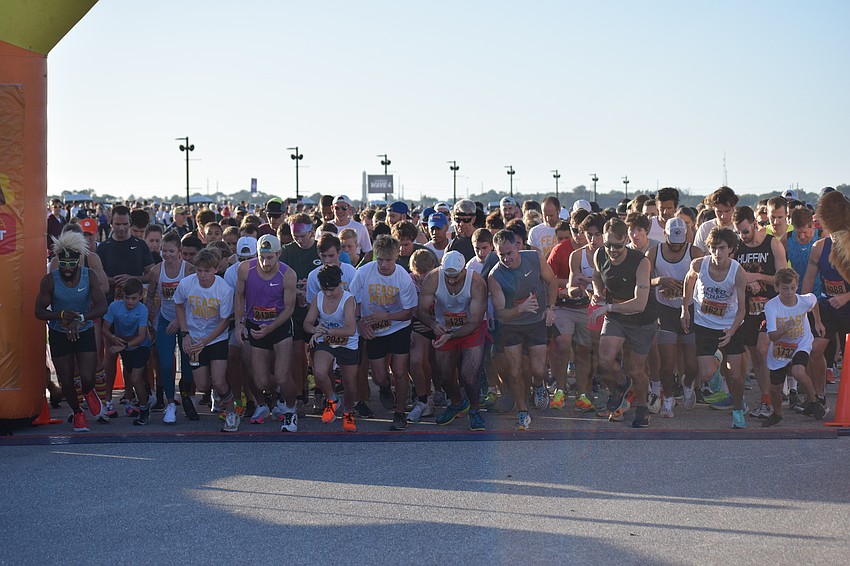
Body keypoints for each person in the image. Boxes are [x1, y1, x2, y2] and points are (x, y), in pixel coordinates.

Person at [35, 231, 108, 432]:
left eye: (71, 263)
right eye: (63, 263)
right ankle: (78, 413)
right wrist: (61, 315)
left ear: (78, 260)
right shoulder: (50, 280)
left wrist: (81, 318)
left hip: (84, 329)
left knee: (87, 377)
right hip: (59, 332)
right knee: (66, 379)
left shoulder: (89, 275)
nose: (67, 268)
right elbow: (38, 312)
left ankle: (88, 392)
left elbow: (102, 306)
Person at [588, 218, 656, 428]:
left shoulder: (640, 261)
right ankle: (620, 384)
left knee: (636, 370)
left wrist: (608, 308)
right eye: (608, 244)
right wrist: (598, 291)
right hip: (616, 315)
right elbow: (597, 276)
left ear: (626, 240)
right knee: (605, 360)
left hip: (641, 319)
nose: (612, 250)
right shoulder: (600, 253)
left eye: (617, 246)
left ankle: (643, 407)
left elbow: (640, 304)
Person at [488, 229, 558, 430]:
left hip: (536, 322)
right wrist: (521, 308)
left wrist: (550, 308)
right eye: (501, 255)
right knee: (515, 370)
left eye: (509, 253)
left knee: (538, 369)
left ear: (518, 247)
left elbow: (552, 282)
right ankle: (522, 410)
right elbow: (500, 314)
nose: (506, 259)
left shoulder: (534, 258)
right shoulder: (495, 276)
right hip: (512, 326)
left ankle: (538, 386)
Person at [349, 234, 419, 431]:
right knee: (379, 377)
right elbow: (351, 300)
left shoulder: (403, 277)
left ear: (397, 256)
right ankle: (385, 388)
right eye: (380, 259)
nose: (384, 265)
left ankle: (399, 413)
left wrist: (386, 316)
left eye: (388, 260)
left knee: (399, 370)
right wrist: (359, 323)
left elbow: (408, 313)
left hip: (397, 327)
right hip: (373, 328)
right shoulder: (363, 272)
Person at [681, 227, 749, 429]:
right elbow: (689, 279)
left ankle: (737, 410)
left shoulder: (738, 272)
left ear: (731, 249)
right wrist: (684, 308)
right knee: (707, 375)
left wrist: (732, 331)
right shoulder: (699, 264)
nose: (717, 253)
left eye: (722, 248)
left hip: (730, 324)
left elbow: (742, 309)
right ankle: (717, 356)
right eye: (713, 248)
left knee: (735, 375)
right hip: (705, 324)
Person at [418, 251, 489, 430]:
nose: (451, 281)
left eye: (455, 276)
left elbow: (475, 321)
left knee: (468, 376)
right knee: (444, 375)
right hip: (444, 327)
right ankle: (457, 403)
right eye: (447, 276)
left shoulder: (476, 282)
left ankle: (474, 410)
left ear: (464, 270)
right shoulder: (433, 278)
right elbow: (421, 310)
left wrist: (451, 335)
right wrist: (433, 325)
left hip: (470, 329)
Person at [96, 205, 155, 417]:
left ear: (130, 223)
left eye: (125, 224)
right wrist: (113, 281)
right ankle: (107, 400)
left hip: (134, 308)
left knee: (130, 359)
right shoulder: (103, 247)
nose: (121, 228)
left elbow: (150, 275)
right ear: (111, 223)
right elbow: (97, 277)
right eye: (117, 224)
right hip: (110, 308)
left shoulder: (139, 245)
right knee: (110, 356)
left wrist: (133, 280)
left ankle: (129, 399)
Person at [234, 235, 298, 431]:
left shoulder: (288, 274)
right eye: (262, 256)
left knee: (282, 375)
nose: (265, 262)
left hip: (279, 327)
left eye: (270, 257)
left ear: (278, 254)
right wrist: (239, 323)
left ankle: (290, 409)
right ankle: (278, 395)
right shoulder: (245, 269)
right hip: (255, 324)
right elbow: (239, 295)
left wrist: (270, 328)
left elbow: (289, 309)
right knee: (261, 380)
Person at [174, 247, 240, 432]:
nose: (203, 275)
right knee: (203, 385)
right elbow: (178, 305)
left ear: (216, 269)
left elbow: (225, 320)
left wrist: (207, 340)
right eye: (199, 270)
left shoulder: (224, 289)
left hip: (216, 338)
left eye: (207, 270)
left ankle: (232, 412)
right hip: (193, 338)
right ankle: (218, 395)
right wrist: (185, 333)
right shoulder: (187, 284)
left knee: (219, 381)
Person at [732, 206, 787, 419]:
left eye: (745, 231)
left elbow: (783, 279)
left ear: (755, 224)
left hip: (771, 307)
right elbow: (731, 273)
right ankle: (766, 397)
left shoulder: (772, 244)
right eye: (739, 232)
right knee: (755, 352)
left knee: (768, 352)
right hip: (748, 308)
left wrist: (757, 277)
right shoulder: (738, 247)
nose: (742, 236)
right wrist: (746, 281)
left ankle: (782, 393)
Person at [647, 217, 703, 417]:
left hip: (689, 310)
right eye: (673, 241)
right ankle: (668, 400)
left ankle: (688, 385)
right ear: (665, 236)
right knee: (667, 362)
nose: (678, 245)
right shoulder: (654, 252)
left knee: (692, 364)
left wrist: (685, 286)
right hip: (665, 311)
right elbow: (643, 278)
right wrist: (660, 280)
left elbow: (707, 278)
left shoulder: (695, 253)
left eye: (681, 241)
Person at [762, 268, 827, 426]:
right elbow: (771, 336)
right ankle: (777, 413)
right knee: (775, 387)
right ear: (777, 288)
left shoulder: (804, 300)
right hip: (780, 347)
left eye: (792, 288)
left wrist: (817, 321)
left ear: (797, 286)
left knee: (798, 371)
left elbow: (814, 301)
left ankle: (813, 401)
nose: (789, 292)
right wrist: (784, 328)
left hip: (801, 343)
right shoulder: (772, 306)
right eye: (784, 288)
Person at [146, 231, 197, 423]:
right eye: (163, 251)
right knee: (166, 363)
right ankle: (170, 402)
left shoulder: (190, 270)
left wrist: (180, 320)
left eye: (171, 251)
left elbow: (194, 299)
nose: (167, 255)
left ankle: (185, 396)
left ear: (180, 251)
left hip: (186, 321)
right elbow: (150, 296)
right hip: (166, 319)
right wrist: (150, 319)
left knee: (188, 365)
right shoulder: (156, 271)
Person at [303, 264, 360, 432]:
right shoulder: (319, 297)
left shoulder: (348, 299)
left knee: (349, 383)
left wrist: (327, 330)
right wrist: (314, 329)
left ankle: (348, 412)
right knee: (319, 372)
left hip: (347, 342)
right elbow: (307, 323)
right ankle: (331, 398)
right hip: (327, 340)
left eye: (332, 290)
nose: (328, 293)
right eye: (324, 289)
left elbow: (350, 329)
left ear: (340, 285)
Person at [280, 213, 322, 416]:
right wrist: (298, 292)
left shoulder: (319, 249)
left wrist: (310, 293)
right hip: (295, 310)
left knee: (316, 354)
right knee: (297, 354)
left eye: (303, 236)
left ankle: (320, 389)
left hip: (318, 310)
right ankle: (298, 393)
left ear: (312, 232)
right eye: (295, 235)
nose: (299, 239)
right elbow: (280, 281)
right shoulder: (287, 251)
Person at [102, 278, 153, 425]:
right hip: (124, 344)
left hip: (140, 345)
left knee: (136, 378)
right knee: (132, 378)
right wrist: (113, 338)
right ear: (122, 296)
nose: (130, 301)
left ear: (141, 296)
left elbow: (142, 336)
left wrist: (123, 345)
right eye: (127, 298)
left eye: (134, 298)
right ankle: (145, 400)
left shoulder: (142, 309)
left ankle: (144, 408)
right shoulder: (114, 307)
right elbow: (105, 329)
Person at [694, 186, 739, 252]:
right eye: (719, 212)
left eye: (727, 211)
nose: (723, 216)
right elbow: (697, 254)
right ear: (713, 208)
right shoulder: (705, 228)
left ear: (734, 207)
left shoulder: (740, 229)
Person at [331, 195, 373, 262]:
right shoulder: (324, 228)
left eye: (344, 208)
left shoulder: (360, 228)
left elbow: (368, 252)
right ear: (332, 208)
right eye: (337, 208)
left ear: (350, 209)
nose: (340, 211)